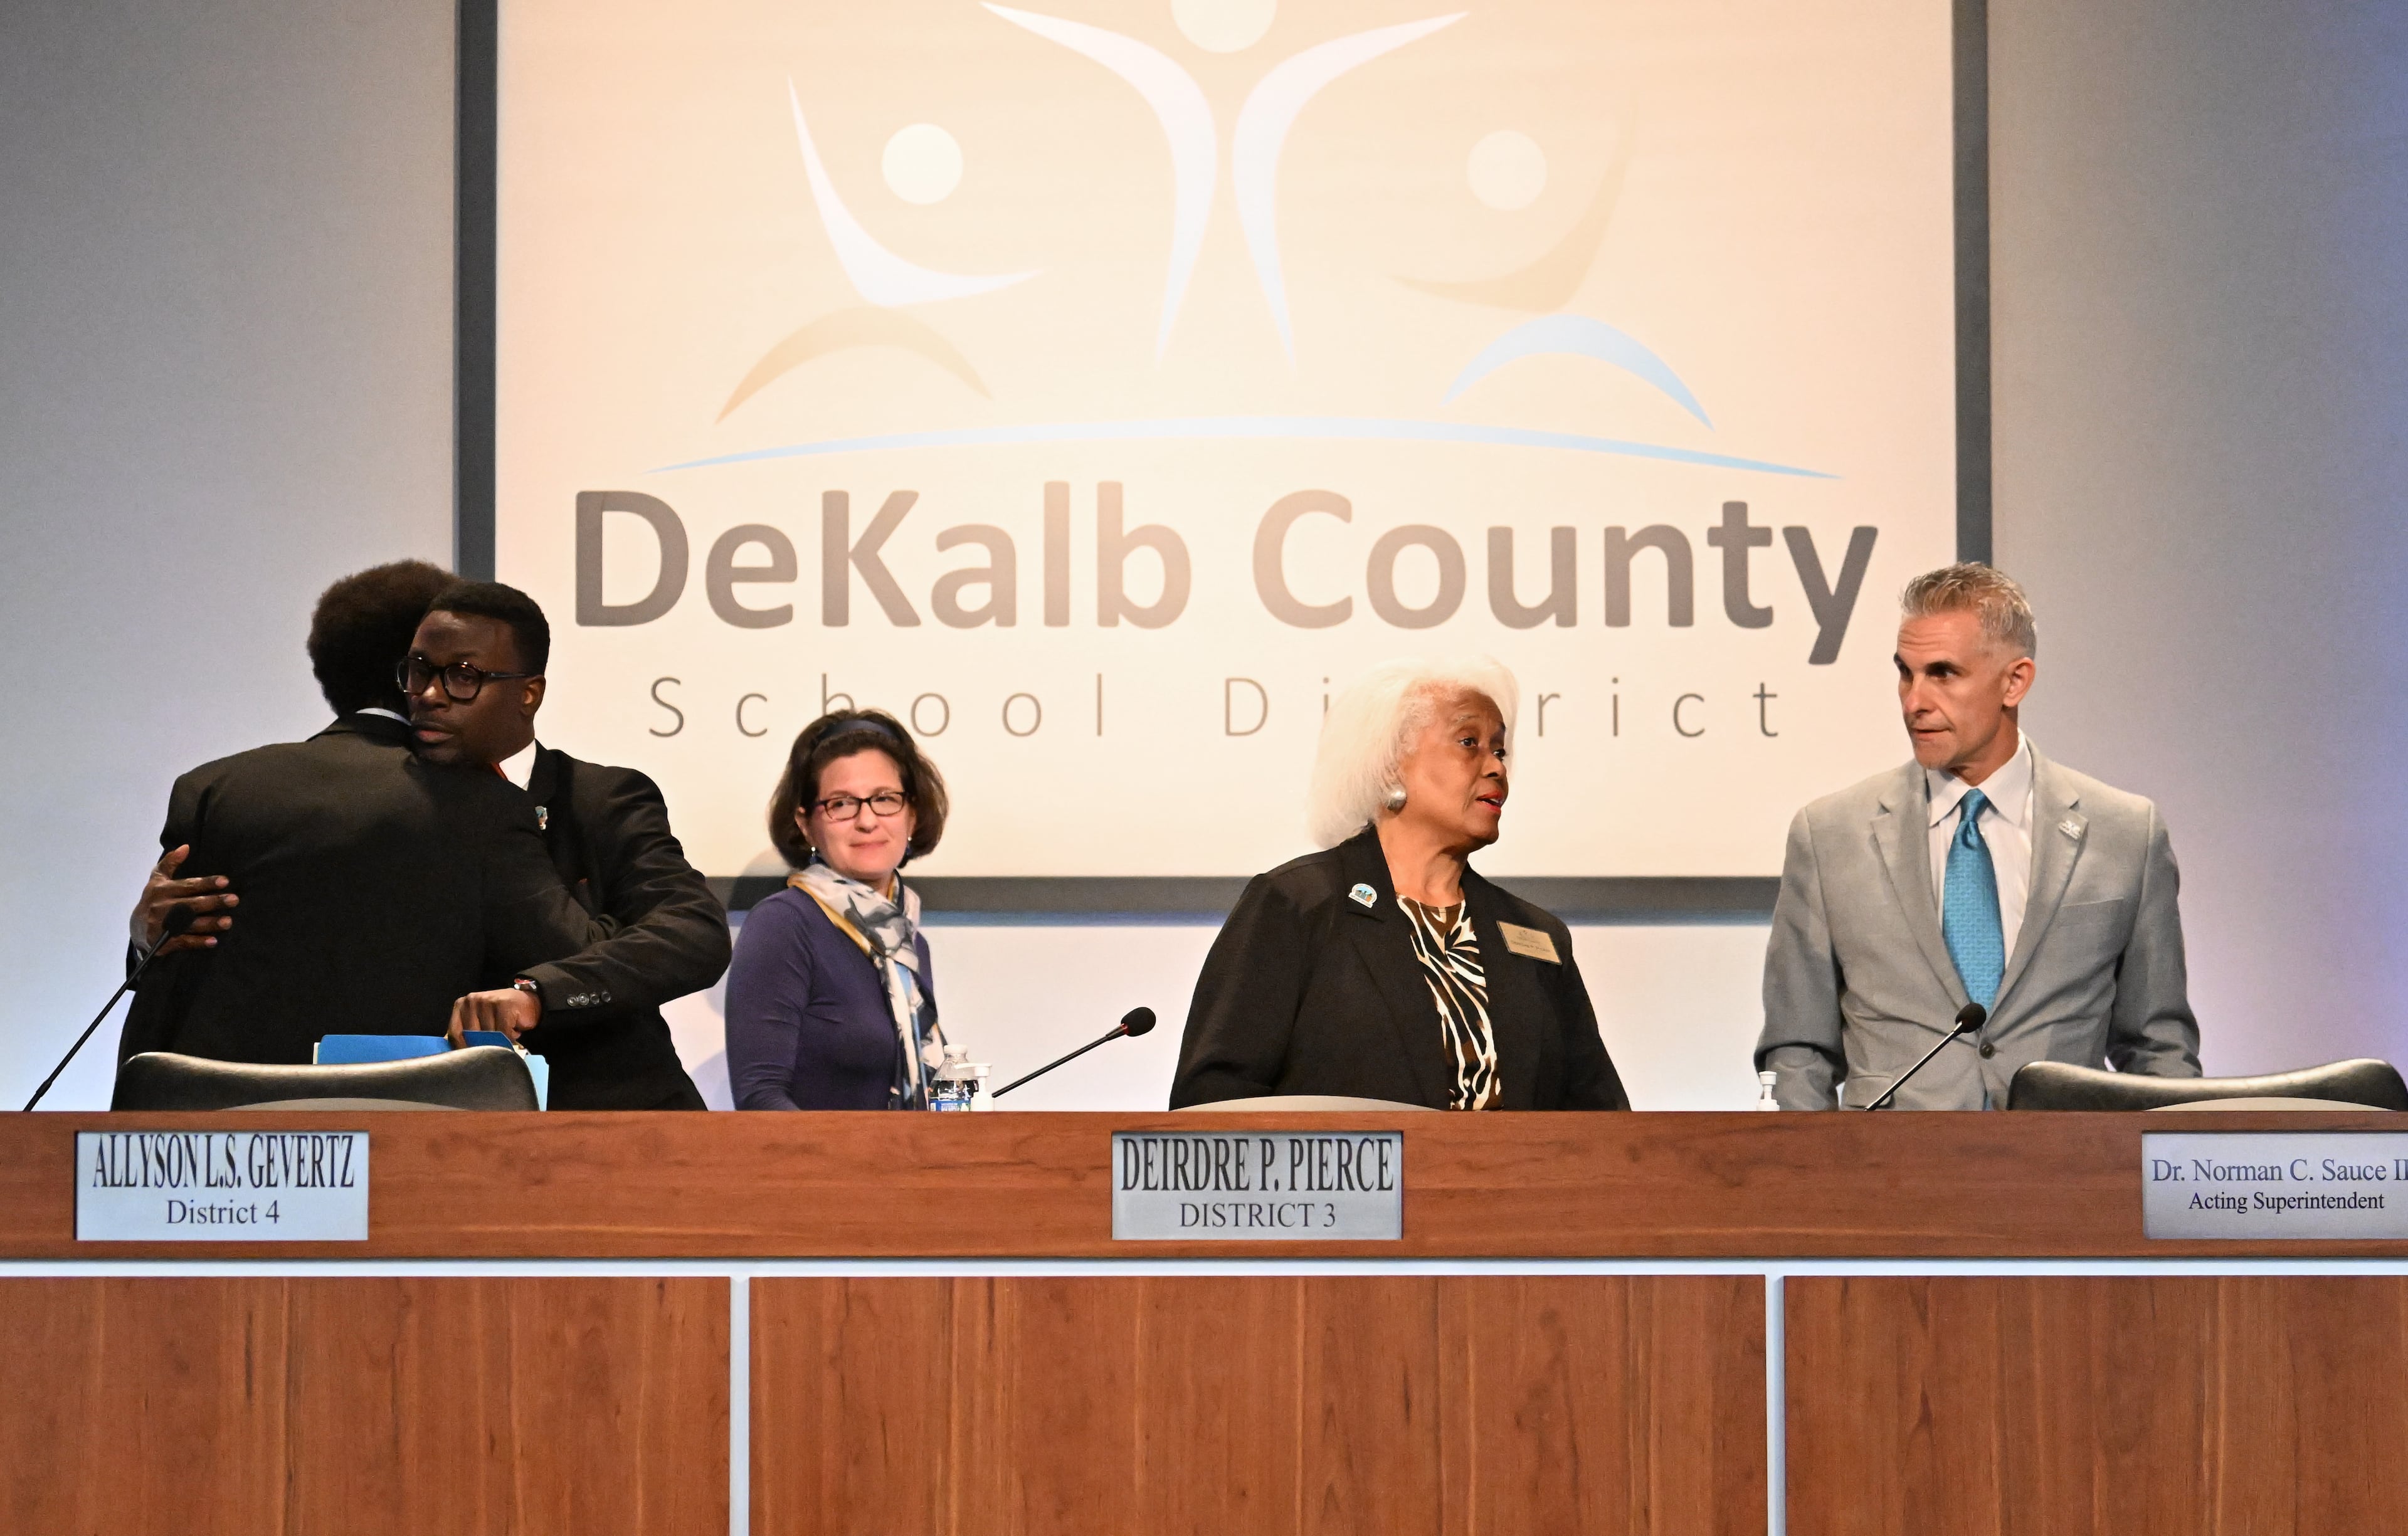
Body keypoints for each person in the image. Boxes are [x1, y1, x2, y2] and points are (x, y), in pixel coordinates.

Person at [116, 562, 606, 1071]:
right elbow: (577, 963)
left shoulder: (212, 789)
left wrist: (140, 941)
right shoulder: (481, 802)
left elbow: (168, 965)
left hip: (219, 1129)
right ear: (415, 672)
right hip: (399, 1118)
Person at [1756, 563, 2202, 1110]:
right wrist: (1814, 1187)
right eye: (1906, 672)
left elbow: (2159, 1050)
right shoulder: (1828, 836)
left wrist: (2151, 1180)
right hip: (1888, 1181)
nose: (1914, 700)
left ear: (2014, 682)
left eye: (1943, 673)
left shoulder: (2127, 834)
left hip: (2065, 1180)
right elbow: (1798, 1053)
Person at [1170, 656, 1630, 1111]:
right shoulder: (1299, 905)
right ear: (1390, 765)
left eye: (1500, 750)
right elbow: (1213, 1099)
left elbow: (1604, 1125)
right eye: (1469, 742)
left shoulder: (1538, 936)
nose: (1496, 768)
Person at [414, 582, 729, 1111]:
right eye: (421, 669)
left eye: (464, 676)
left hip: (612, 1113)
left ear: (529, 693)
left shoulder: (601, 799)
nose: (430, 694)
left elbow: (693, 934)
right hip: (432, 1116)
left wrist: (540, 995)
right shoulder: (387, 804)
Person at [722, 710, 951, 1110]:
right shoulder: (785, 923)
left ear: (912, 814)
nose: (867, 821)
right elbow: (761, 1098)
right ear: (807, 824)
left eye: (885, 799)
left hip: (909, 1167)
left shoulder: (907, 942)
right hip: (821, 1170)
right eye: (841, 804)